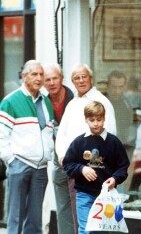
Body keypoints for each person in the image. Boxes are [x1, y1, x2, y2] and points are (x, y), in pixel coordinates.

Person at [55, 63, 116, 233]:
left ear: (91, 78)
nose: (81, 81)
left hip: (97, 171)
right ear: (72, 82)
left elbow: (110, 136)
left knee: (100, 219)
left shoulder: (102, 101)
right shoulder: (72, 104)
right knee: (80, 218)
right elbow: (62, 135)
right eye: (76, 78)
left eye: (84, 76)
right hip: (75, 169)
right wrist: (62, 156)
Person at [0, 60, 55, 234]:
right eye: (34, 74)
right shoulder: (10, 101)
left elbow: (48, 132)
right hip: (20, 165)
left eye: (41, 74)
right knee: (15, 216)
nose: (39, 78)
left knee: (35, 219)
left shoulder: (46, 102)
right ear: (24, 77)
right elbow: (1, 136)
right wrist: (11, 161)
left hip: (41, 168)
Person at [63, 101, 130, 234]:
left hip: (106, 195)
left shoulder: (113, 142)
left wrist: (115, 179)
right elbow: (67, 164)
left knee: (102, 230)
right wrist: (81, 169)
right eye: (91, 120)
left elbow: (123, 167)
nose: (96, 123)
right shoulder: (79, 142)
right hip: (84, 194)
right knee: (85, 229)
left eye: (99, 119)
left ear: (104, 118)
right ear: (86, 120)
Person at [43, 63, 74, 234]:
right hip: (57, 161)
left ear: (62, 79)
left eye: (55, 78)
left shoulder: (75, 100)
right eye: (48, 79)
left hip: (76, 159)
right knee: (62, 206)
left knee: (79, 203)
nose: (52, 82)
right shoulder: (43, 103)